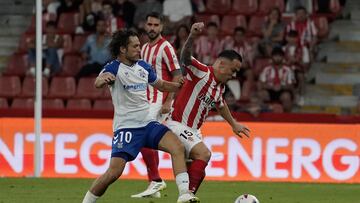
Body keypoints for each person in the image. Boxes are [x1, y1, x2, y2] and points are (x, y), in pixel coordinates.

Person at [81, 29, 199, 203]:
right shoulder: (113, 67)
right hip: (127, 127)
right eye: (135, 46)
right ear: (123, 49)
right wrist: (103, 79)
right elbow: (98, 82)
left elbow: (161, 85)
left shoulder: (143, 66)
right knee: (113, 173)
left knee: (177, 147)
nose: (139, 49)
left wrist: (177, 85)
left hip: (148, 124)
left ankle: (184, 194)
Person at [167, 22, 251, 194]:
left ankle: (187, 197)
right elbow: (185, 58)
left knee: (198, 171)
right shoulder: (202, 72)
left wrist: (233, 124)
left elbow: (220, 105)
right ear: (221, 64)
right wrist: (192, 36)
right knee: (204, 154)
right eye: (233, 70)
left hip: (193, 130)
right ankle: (187, 196)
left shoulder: (220, 88)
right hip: (176, 123)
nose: (234, 75)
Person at [131, 12, 182, 198]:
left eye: (156, 25)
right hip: (145, 100)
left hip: (160, 100)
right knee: (147, 139)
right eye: (149, 24)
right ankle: (155, 184)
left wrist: (168, 100)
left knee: (143, 135)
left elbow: (177, 75)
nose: (152, 28)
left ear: (162, 27)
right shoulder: (143, 48)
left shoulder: (166, 47)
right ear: (146, 25)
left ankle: (156, 180)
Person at [258, 47, 295, 112]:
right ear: (272, 57)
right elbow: (261, 84)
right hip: (269, 90)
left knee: (286, 97)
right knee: (261, 94)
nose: (277, 58)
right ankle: (262, 115)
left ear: (283, 57)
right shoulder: (266, 69)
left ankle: (287, 117)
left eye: (279, 56)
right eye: (275, 55)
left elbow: (291, 85)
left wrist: (281, 87)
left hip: (283, 90)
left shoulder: (288, 70)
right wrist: (271, 87)